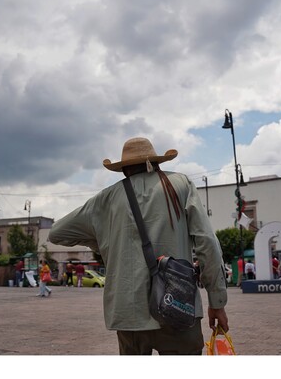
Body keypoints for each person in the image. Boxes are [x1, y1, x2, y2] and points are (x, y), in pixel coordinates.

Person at [48, 137, 229, 355]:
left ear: (123, 170)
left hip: (128, 311)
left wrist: (106, 241)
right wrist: (216, 301)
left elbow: (56, 233)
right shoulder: (181, 185)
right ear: (155, 163)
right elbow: (207, 242)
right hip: (178, 306)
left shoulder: (106, 199)